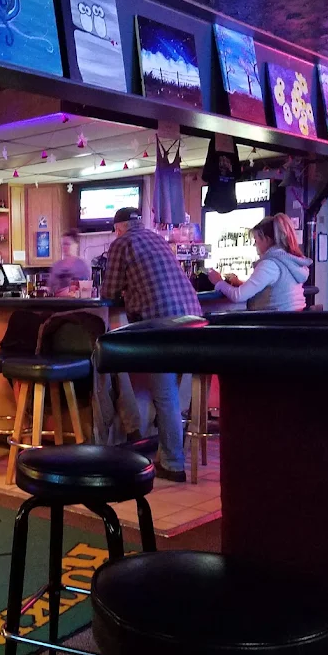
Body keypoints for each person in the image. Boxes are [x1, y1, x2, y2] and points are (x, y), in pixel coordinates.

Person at [101, 207, 201, 482]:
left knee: (165, 393)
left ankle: (173, 463)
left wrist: (126, 291)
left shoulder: (122, 243)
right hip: (194, 321)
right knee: (172, 392)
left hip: (162, 323)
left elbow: (108, 291)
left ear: (118, 228)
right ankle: (170, 452)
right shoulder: (156, 238)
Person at [208, 213, 310, 311]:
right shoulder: (288, 260)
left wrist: (219, 282)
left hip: (276, 320)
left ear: (267, 239)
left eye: (256, 240)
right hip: (293, 318)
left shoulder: (270, 264)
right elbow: (272, 287)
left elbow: (238, 296)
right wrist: (240, 283)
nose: (254, 245)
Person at [47, 229, 91, 296]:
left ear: (76, 245)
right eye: (63, 244)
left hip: (76, 302)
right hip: (57, 301)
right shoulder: (56, 266)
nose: (64, 247)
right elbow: (50, 288)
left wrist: (69, 292)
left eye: (67, 244)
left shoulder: (83, 266)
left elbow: (86, 291)